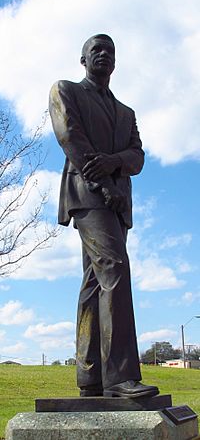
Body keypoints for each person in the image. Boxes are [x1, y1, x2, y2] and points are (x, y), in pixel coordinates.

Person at [49, 33, 159, 398]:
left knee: (95, 281)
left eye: (110, 50)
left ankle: (90, 377)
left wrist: (115, 163)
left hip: (118, 206)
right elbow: (71, 136)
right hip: (87, 196)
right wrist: (105, 183)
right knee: (114, 268)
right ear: (82, 59)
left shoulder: (126, 113)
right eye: (96, 49)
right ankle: (120, 377)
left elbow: (137, 157)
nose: (103, 55)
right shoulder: (66, 90)